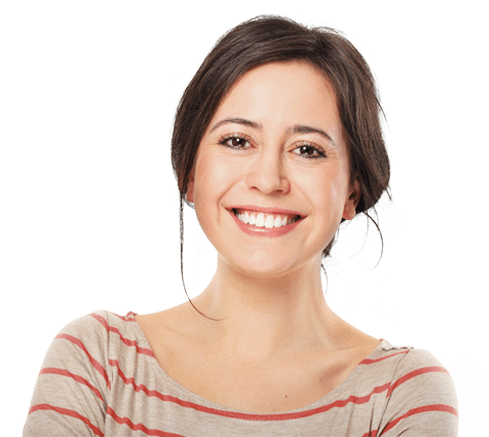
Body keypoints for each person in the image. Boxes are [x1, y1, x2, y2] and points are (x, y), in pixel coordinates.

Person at [23, 13, 459, 436]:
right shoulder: (97, 360)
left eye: (307, 149)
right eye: (237, 140)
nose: (268, 180)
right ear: (190, 173)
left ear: (352, 190)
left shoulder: (402, 392)